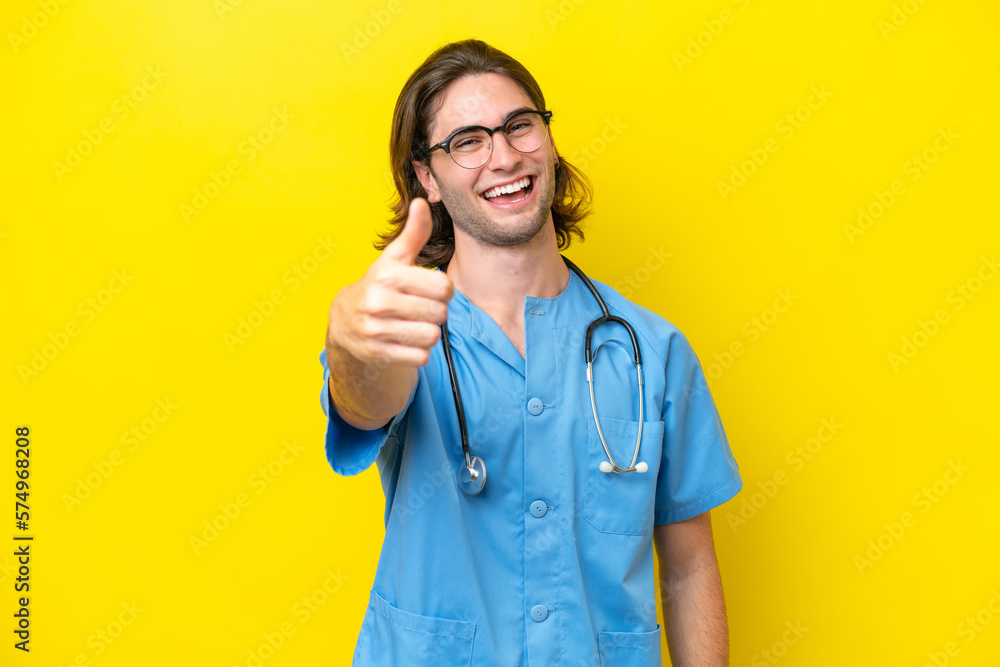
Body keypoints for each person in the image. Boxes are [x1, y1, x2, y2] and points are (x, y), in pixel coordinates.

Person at [320, 38, 742, 666]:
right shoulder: (400, 333)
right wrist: (347, 346)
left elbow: (687, 569)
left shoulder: (651, 350)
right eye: (467, 141)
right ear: (427, 179)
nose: (504, 155)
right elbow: (364, 403)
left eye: (520, 126)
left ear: (546, 141)